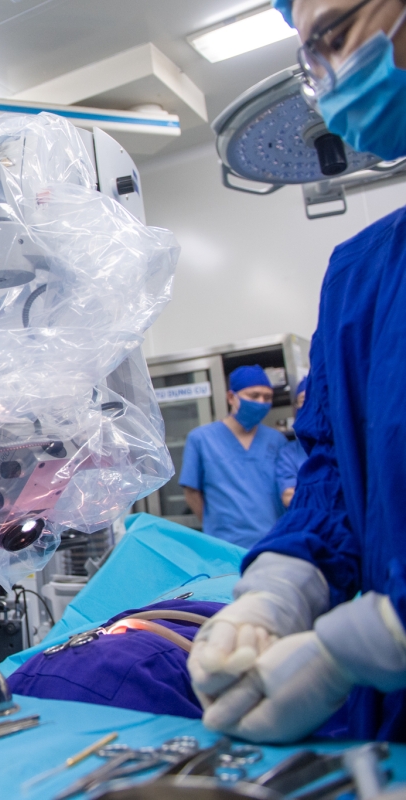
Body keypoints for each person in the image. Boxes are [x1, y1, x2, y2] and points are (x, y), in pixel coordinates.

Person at [188, 0, 406, 744]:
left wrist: (372, 641)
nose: (328, 77)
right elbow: (333, 476)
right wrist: (279, 589)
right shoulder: (361, 274)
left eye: (335, 37)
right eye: (311, 60)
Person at [179, 366, 287, 548]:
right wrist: (215, 527)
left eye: (267, 397)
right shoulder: (201, 439)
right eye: (254, 396)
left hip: (274, 542)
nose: (261, 402)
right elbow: (191, 492)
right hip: (225, 545)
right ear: (231, 397)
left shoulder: (277, 440)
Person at [275, 381, 309, 507]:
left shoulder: (345, 446)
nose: (310, 404)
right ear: (295, 408)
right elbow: (289, 497)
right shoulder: (290, 453)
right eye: (304, 400)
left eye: (316, 398)